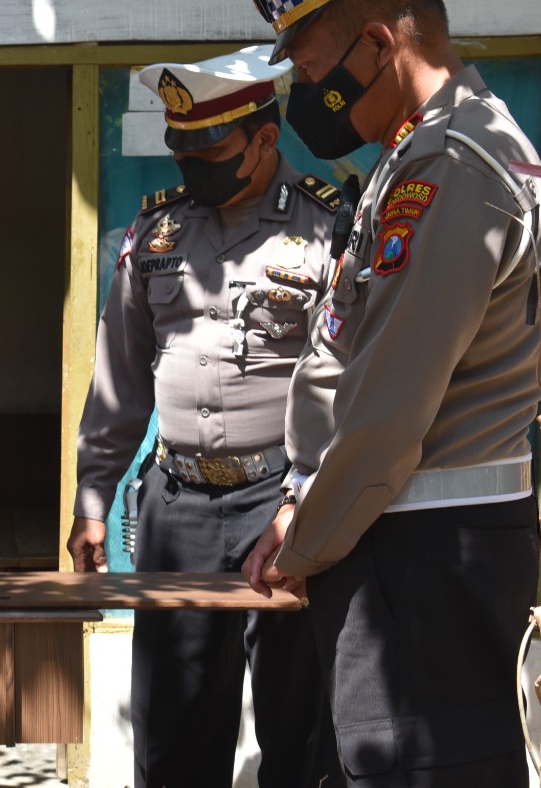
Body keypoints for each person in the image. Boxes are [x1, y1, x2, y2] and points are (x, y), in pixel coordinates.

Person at [237, 0, 541, 785]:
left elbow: (387, 411)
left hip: (422, 562)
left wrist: (307, 543)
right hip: (393, 542)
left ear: (377, 46)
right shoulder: (421, 152)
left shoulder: (451, 166)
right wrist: (307, 503)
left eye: (308, 65)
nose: (305, 96)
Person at [67, 46, 342, 788]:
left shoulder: (328, 229)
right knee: (175, 735)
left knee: (300, 729)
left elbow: (352, 386)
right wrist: (92, 501)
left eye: (210, 148)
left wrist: (310, 500)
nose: (192, 165)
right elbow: (119, 383)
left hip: (282, 507)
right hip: (178, 506)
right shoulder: (155, 235)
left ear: (264, 137)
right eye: (182, 149)